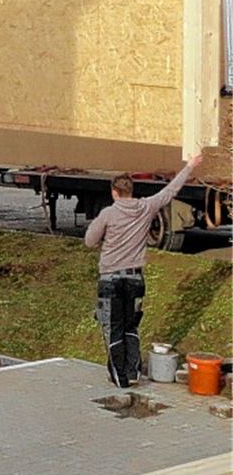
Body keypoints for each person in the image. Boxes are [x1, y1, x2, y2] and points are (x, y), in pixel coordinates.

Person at [84, 152, 202, 387]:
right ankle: (133, 372)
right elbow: (170, 191)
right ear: (132, 190)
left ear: (114, 192)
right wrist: (190, 165)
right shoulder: (147, 207)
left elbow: (89, 240)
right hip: (136, 279)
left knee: (113, 328)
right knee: (131, 327)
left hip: (111, 280)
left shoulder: (108, 213)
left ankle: (120, 378)